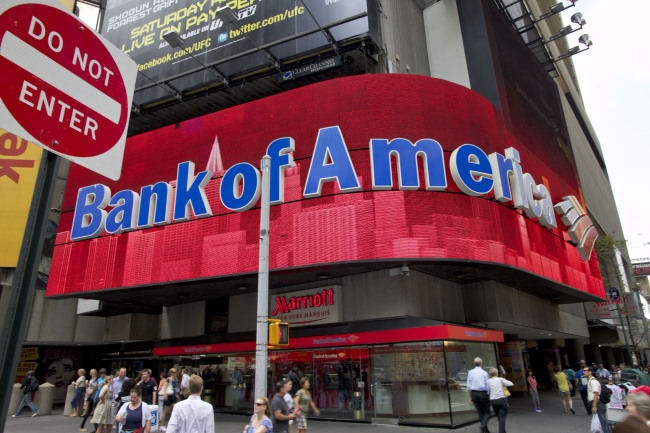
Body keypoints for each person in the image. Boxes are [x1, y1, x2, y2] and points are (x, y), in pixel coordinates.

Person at [467, 357, 491, 433]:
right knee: (487, 412)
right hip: (483, 393)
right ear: (481, 363)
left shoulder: (470, 372)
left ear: (474, 364)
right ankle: (483, 425)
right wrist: (488, 394)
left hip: (474, 393)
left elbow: (468, 386)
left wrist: (470, 396)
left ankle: (485, 430)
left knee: (480, 413)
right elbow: (487, 385)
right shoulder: (484, 373)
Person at [585, 366, 611, 433]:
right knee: (600, 421)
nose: (584, 372)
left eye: (585, 370)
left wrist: (594, 406)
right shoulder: (590, 381)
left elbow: (596, 394)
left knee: (602, 422)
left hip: (597, 403)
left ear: (590, 372)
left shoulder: (593, 381)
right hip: (596, 403)